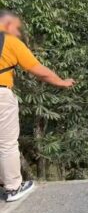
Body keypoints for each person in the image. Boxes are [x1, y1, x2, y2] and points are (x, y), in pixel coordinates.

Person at [0, 10, 75, 202]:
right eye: (15, 26)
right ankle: (13, 188)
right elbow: (38, 70)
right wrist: (61, 82)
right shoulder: (9, 42)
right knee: (7, 143)